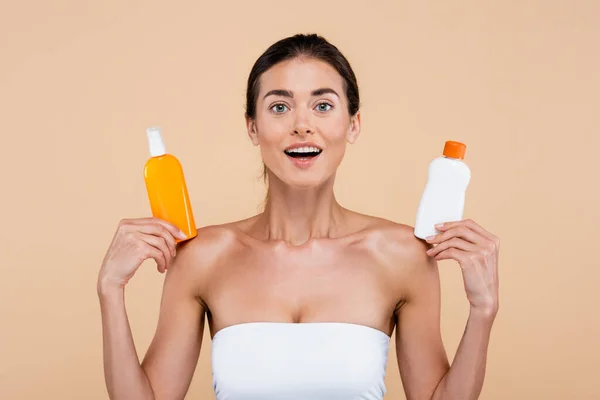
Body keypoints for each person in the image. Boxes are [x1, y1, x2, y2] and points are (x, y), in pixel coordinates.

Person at [97, 33, 500, 400]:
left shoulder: (402, 254)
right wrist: (111, 290)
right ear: (253, 128)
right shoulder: (203, 255)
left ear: (353, 125)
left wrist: (482, 310)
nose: (302, 126)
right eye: (280, 107)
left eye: (323, 105)